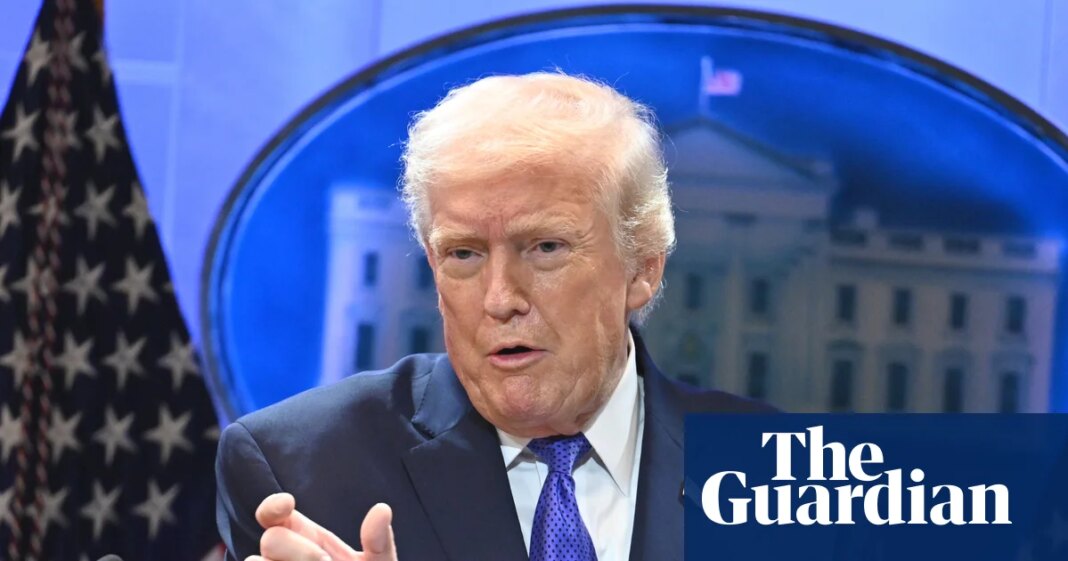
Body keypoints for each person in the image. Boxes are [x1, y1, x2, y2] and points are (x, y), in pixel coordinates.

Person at [215, 72, 771, 561]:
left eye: (546, 247)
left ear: (643, 266)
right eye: (464, 254)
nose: (500, 298)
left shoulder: (781, 470)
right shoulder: (299, 473)